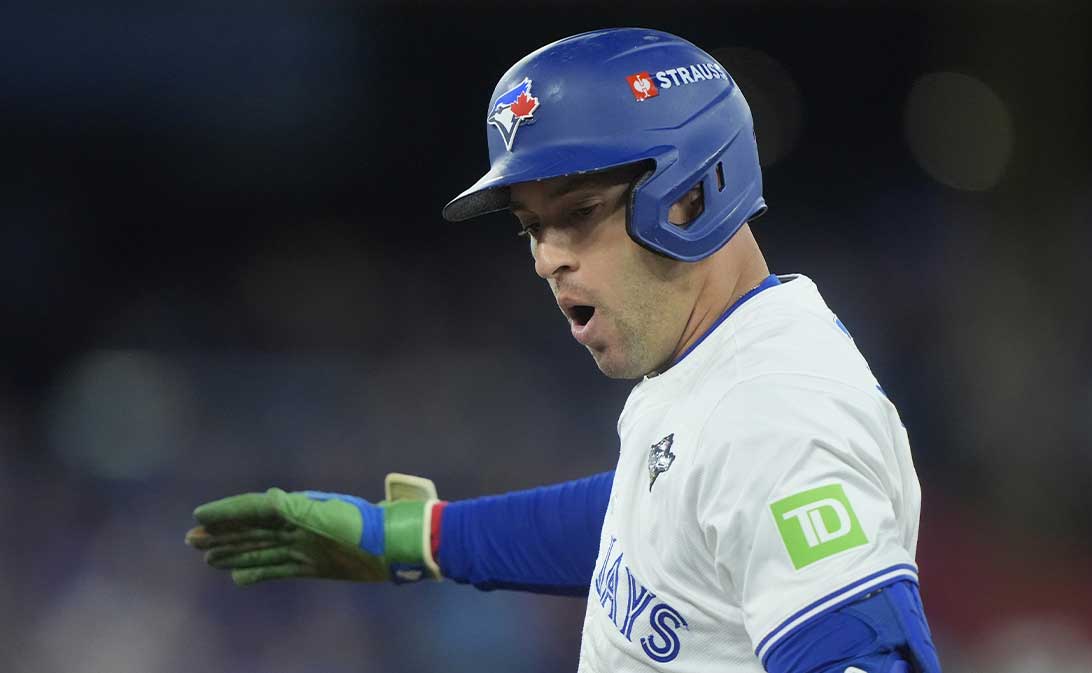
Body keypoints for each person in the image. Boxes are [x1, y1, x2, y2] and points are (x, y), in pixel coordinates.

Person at [185, 27, 942, 673]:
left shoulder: (775, 420)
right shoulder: (717, 358)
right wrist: (418, 536)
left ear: (694, 194)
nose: (547, 258)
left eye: (578, 213)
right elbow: (653, 523)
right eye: (531, 228)